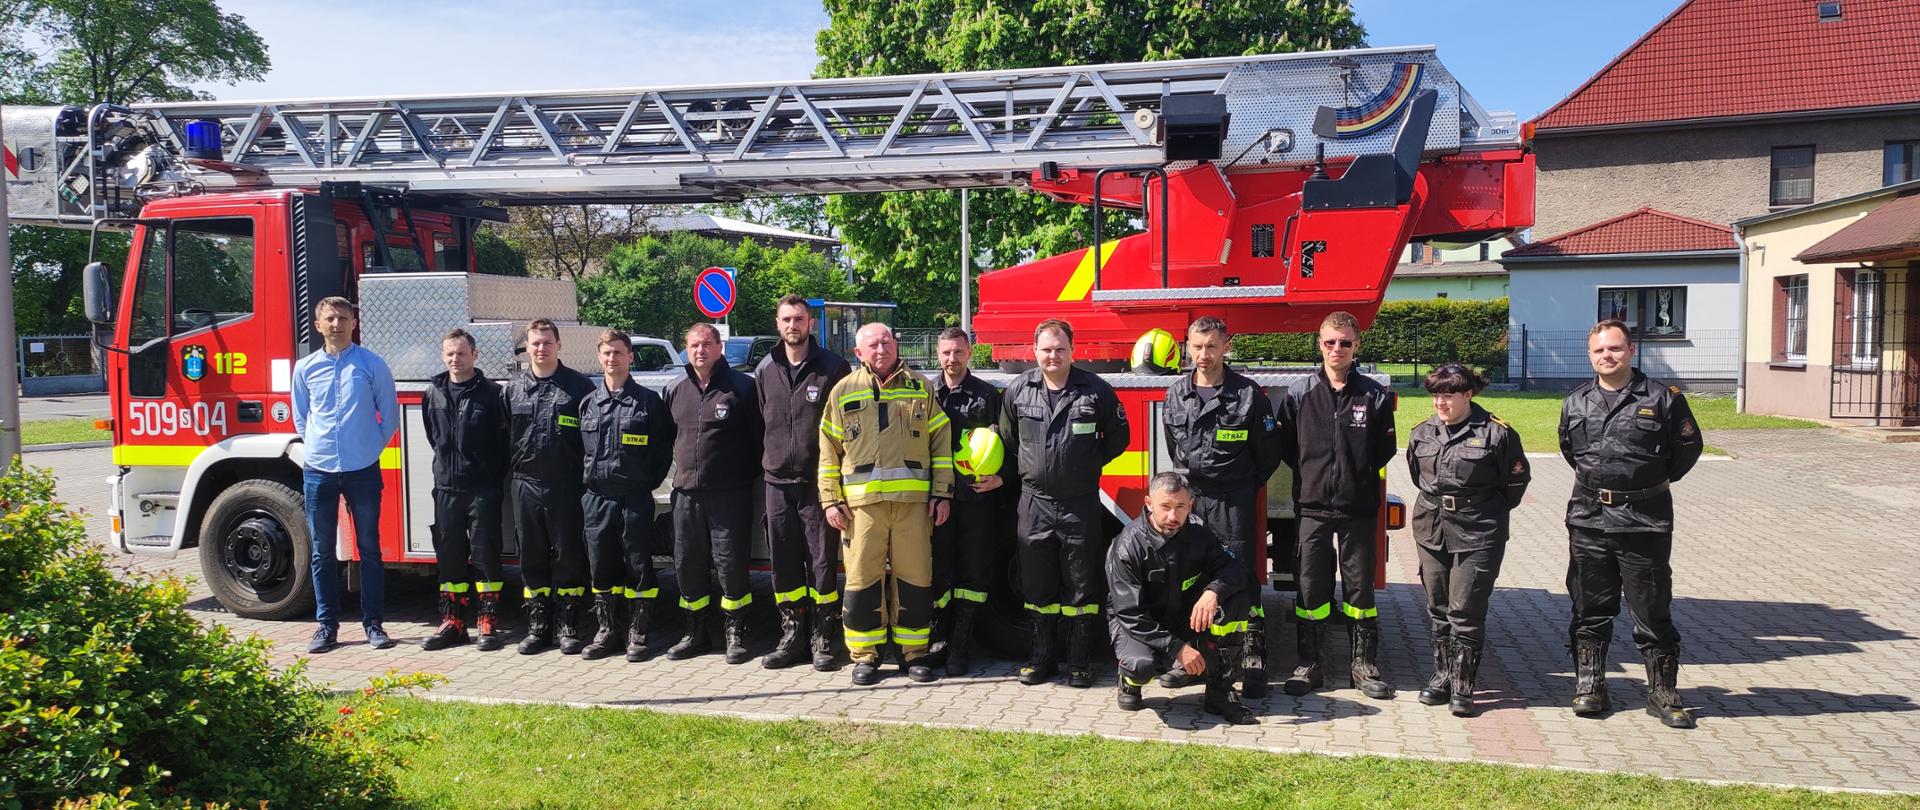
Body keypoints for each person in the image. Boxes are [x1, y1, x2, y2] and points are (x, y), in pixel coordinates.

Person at [1560, 320, 1703, 729]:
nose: (1607, 356)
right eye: (1599, 351)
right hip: (1588, 520)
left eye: (1615, 349)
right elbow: (1571, 453)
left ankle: (1662, 692)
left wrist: (1644, 485)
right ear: (1590, 355)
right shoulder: (1575, 402)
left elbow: (1687, 451)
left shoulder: (1663, 398)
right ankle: (1590, 686)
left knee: (1652, 610)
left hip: (1644, 521)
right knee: (1589, 609)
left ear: (1631, 350)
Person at [818, 323, 953, 685]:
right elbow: (828, 453)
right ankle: (865, 656)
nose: (881, 349)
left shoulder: (921, 387)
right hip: (860, 509)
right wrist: (830, 500)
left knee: (916, 581)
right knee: (862, 582)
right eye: (872, 345)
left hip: (913, 506)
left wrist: (941, 492)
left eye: (886, 342)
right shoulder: (843, 391)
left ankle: (914, 654)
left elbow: (941, 442)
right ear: (858, 353)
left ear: (896, 345)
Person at [999, 318, 1129, 688]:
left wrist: (1084, 463)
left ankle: (1079, 663)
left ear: (1073, 350)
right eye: (1046, 349)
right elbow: (1010, 439)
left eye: (1060, 349)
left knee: (1081, 587)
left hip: (1080, 503)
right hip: (1034, 503)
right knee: (1037, 587)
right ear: (1034, 350)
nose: (1053, 355)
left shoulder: (1095, 391)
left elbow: (1118, 438)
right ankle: (1041, 659)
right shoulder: (1019, 391)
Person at [1160, 317, 1285, 698]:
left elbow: (1269, 454)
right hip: (1192, 502)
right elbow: (1174, 446)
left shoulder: (1249, 396)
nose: (1203, 354)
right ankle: (1192, 660)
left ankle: (1251, 659)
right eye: (1197, 347)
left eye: (1212, 346)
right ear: (1187, 346)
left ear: (1226, 345)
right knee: (1191, 580)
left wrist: (1241, 485)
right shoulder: (1175, 394)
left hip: (1233, 501)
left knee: (1240, 578)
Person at [1276, 310, 1397, 699]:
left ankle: (1363, 666)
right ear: (1320, 344)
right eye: (1330, 341)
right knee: (1311, 588)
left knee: (1360, 589)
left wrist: (1353, 477)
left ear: (1356, 345)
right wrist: (1315, 477)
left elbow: (1383, 450)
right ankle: (1310, 664)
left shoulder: (1373, 395)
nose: (1337, 349)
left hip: (1356, 507)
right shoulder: (1299, 394)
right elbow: (1288, 448)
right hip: (1311, 506)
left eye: (1345, 342)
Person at [1405, 363, 1530, 716]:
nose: (1440, 402)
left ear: (1468, 394)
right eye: (1435, 395)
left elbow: (1515, 484)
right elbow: (1419, 476)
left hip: (1478, 531)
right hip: (1431, 527)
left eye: (1448, 395)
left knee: (1466, 610)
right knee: (1438, 606)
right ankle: (1441, 675)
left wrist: (1483, 511)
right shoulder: (1422, 433)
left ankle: (1463, 684)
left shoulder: (1496, 433)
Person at [292, 296, 401, 654]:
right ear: (318, 324)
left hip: (362, 470)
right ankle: (326, 626)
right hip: (319, 471)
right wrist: (318, 449)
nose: (336, 324)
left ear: (354, 323)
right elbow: (301, 418)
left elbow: (389, 414)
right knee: (322, 552)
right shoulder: (305, 369)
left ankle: (374, 624)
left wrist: (367, 450)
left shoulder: (372, 365)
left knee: (369, 549)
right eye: (330, 318)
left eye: (343, 318)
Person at [1107, 472, 1256, 725]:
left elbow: (1237, 569)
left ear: (1191, 505)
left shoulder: (1199, 532)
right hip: (1140, 625)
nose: (1173, 517)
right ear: (1148, 503)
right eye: (1165, 507)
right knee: (1141, 666)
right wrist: (1178, 648)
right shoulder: (1128, 546)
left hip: (1181, 617)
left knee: (1237, 598)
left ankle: (1219, 694)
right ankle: (1129, 682)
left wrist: (1213, 591)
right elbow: (1130, 614)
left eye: (1180, 507)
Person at [755, 294, 852, 670]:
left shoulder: (833, 368)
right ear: (777, 325)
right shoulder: (766, 368)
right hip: (777, 483)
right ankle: (792, 635)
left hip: (818, 485)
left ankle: (824, 636)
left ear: (810, 323)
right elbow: (759, 424)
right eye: (785, 320)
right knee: (784, 563)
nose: (792, 326)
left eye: (799, 319)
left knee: (823, 564)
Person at [664, 323, 764, 664]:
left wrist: (738, 476)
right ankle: (694, 633)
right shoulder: (676, 390)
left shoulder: (742, 389)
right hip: (686, 495)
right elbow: (668, 441)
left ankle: (736, 634)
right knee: (687, 564)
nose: (699, 351)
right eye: (693, 345)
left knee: (731, 565)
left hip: (729, 495)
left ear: (720, 347)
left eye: (706, 344)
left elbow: (758, 440)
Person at [578, 330, 676, 662]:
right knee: (601, 567)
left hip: (634, 497)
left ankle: (639, 632)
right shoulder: (588, 404)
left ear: (630, 356)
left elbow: (662, 451)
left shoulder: (648, 402)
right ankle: (608, 631)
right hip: (597, 498)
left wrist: (645, 482)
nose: (611, 358)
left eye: (618, 353)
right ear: (599, 357)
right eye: (606, 353)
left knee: (638, 566)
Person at [502, 318, 597, 655]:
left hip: (566, 485)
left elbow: (593, 440)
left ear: (559, 346)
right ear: (526, 348)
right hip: (526, 484)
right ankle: (538, 626)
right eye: (535, 343)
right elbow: (503, 438)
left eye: (547, 342)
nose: (541, 348)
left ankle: (569, 625)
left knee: (569, 555)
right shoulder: (512, 389)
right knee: (531, 556)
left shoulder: (579, 387)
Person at [421, 328, 512, 652]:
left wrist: (488, 476)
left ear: (474, 355)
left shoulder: (492, 394)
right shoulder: (433, 392)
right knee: (449, 557)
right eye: (449, 354)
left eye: (461, 353)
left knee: (486, 555)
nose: (455, 359)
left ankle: (487, 622)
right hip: (446, 487)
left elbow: (504, 443)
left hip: (483, 488)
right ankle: (453, 621)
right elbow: (434, 437)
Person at [930, 327, 1005, 676]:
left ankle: (961, 645)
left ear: (969, 352)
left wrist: (1002, 477)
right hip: (940, 498)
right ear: (938, 354)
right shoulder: (928, 393)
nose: (952, 359)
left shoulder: (988, 395)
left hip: (977, 501)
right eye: (946, 353)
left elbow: (1009, 444)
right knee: (940, 570)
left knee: (973, 572)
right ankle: (939, 640)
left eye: (958, 352)